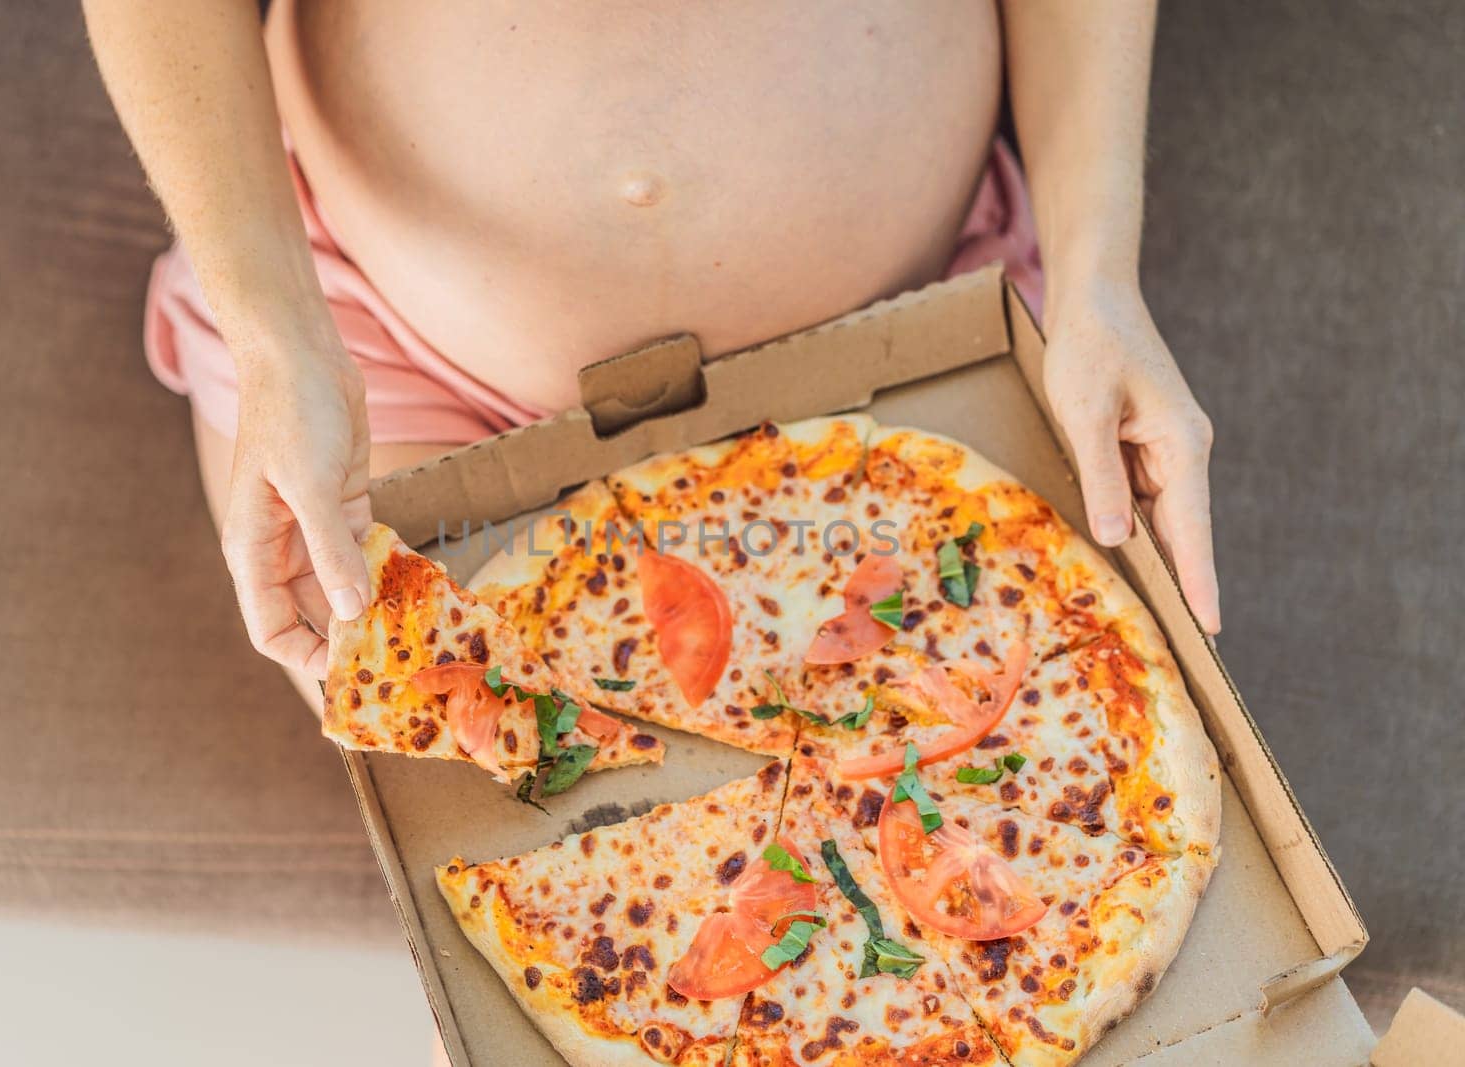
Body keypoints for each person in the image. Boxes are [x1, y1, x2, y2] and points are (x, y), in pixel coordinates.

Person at [85, 0, 1220, 721]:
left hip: (920, 327)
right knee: (565, 922)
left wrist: (1095, 276)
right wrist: (272, 328)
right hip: (384, 353)